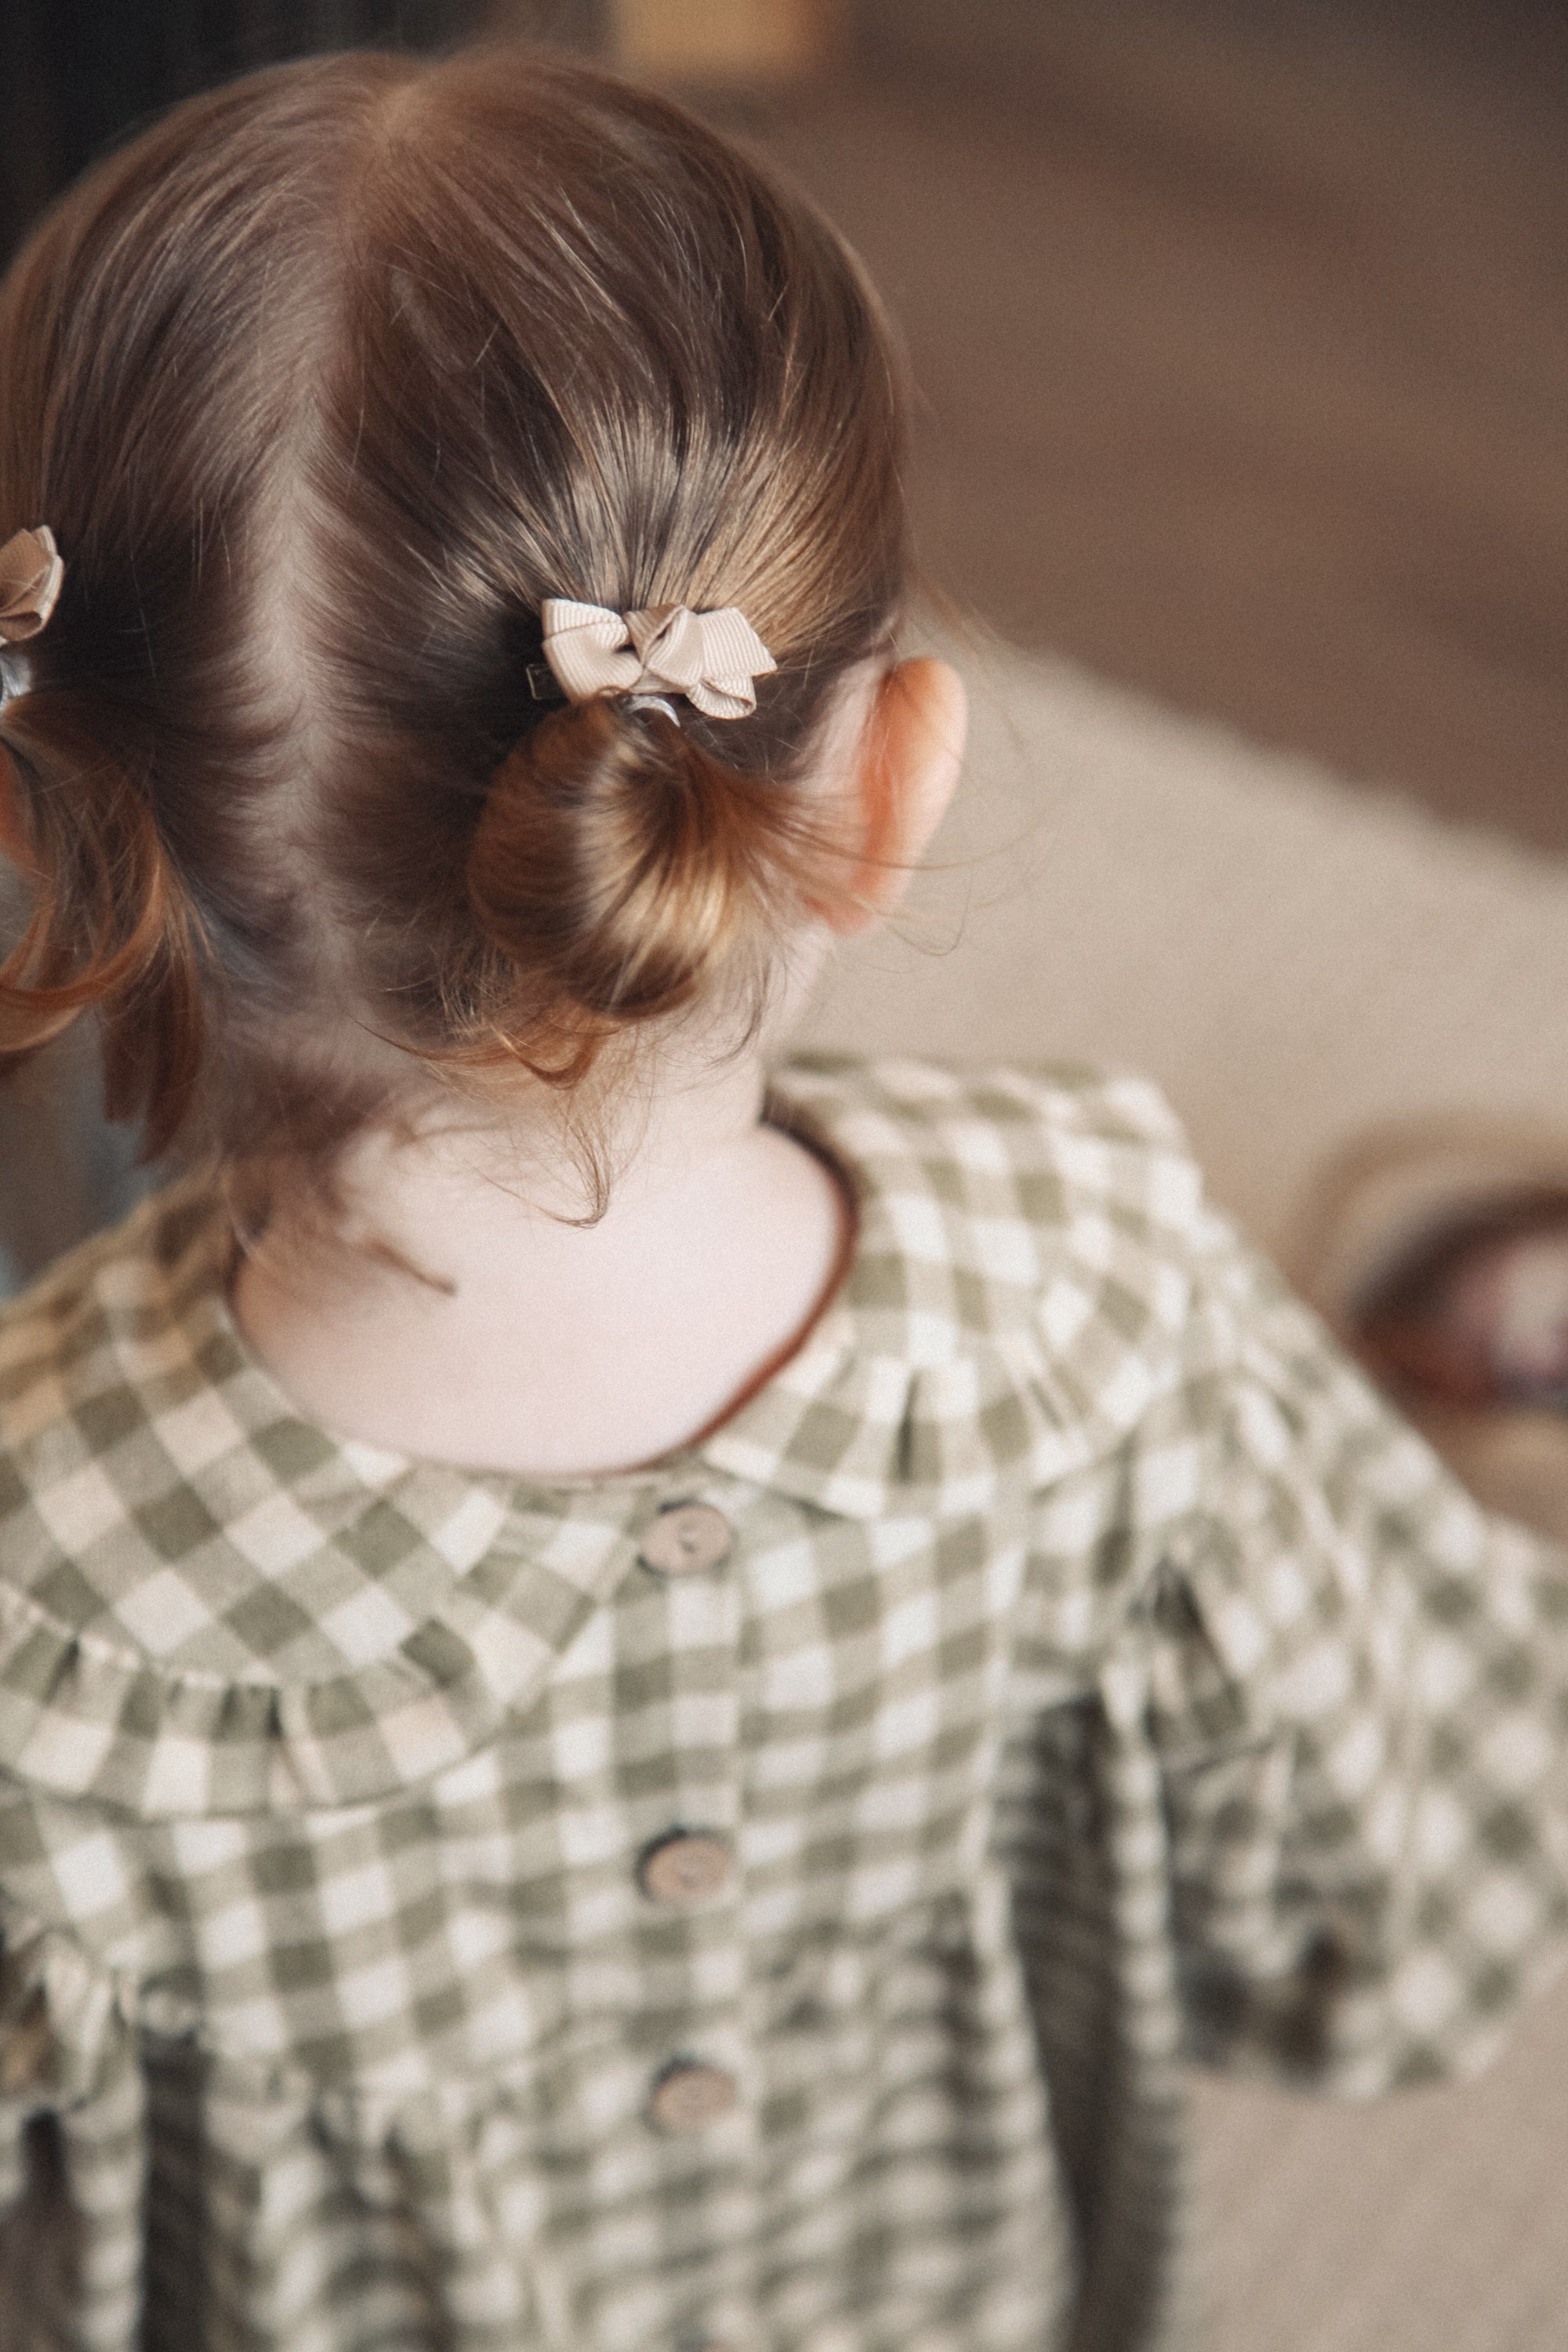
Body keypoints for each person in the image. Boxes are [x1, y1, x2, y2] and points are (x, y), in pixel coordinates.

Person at [0, 47, 1563, 2352]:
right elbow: (1411, 1939)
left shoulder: (39, 1591)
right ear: (885, 784)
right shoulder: (1097, 1286)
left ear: (47, 834)